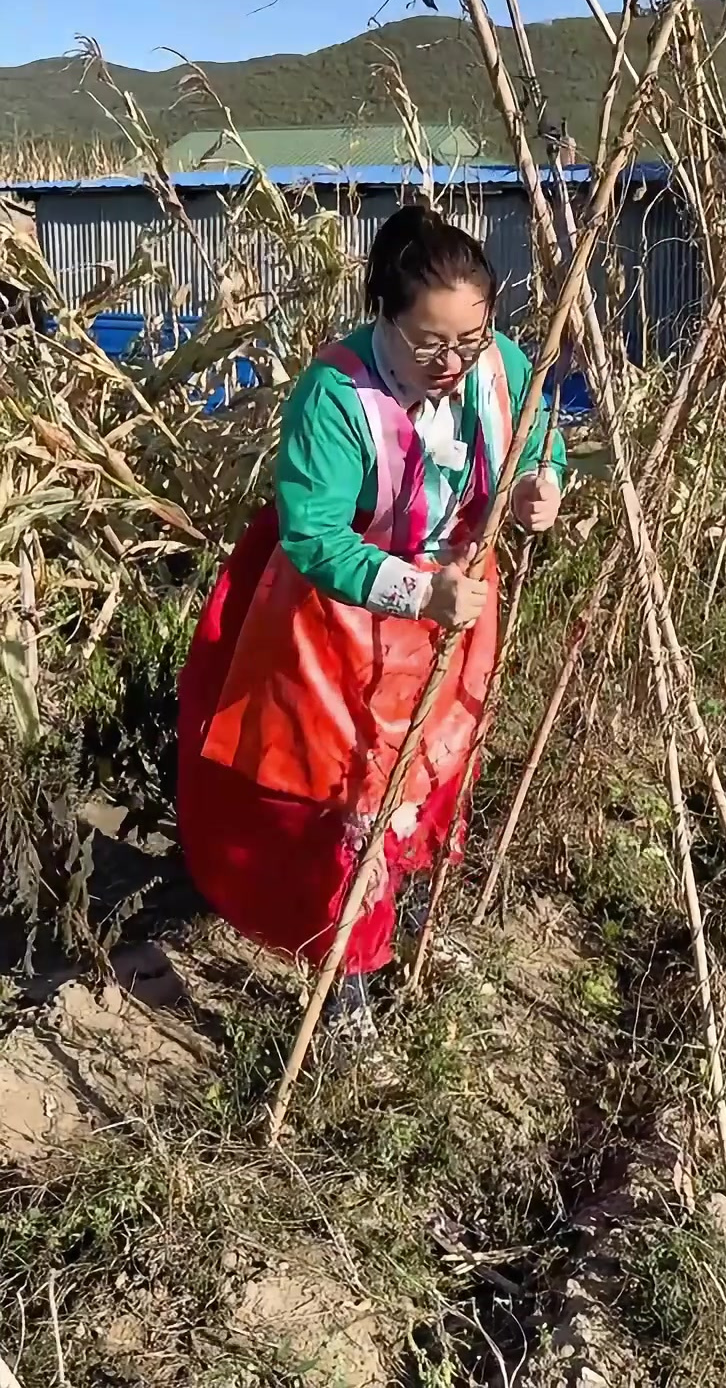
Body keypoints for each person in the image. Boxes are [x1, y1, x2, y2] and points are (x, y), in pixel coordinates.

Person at [177, 203, 564, 1021]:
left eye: (470, 339)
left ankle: (408, 915)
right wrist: (419, 589)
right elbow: (314, 536)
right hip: (339, 629)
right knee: (343, 803)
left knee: (433, 769)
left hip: (454, 619)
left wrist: (541, 488)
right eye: (429, 343)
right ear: (381, 314)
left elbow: (537, 443)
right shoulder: (335, 394)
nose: (453, 361)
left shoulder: (498, 367)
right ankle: (345, 974)